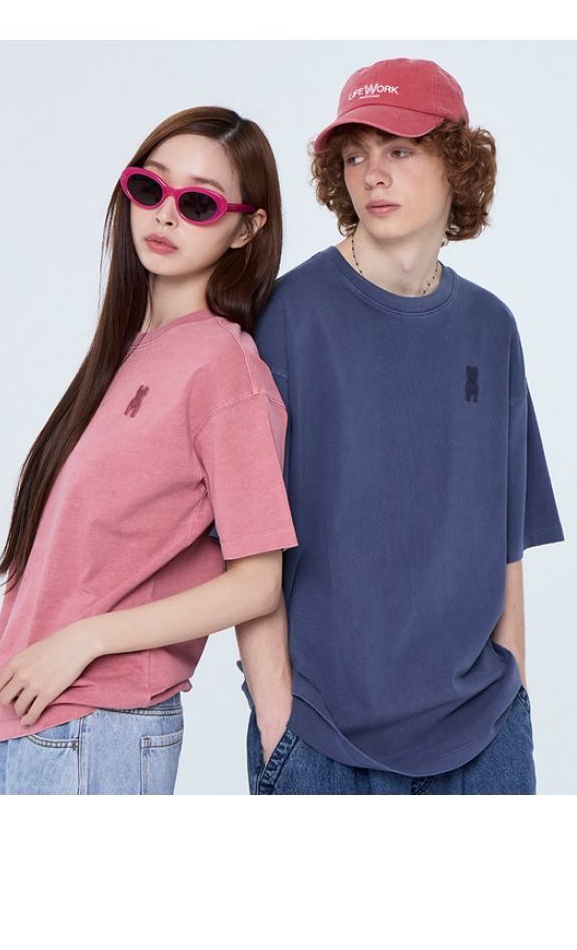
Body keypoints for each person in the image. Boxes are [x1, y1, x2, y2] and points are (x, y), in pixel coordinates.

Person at [237, 58, 564, 795]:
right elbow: (249, 538)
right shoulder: (287, 318)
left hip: (484, 735)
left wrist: (514, 687)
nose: (373, 174)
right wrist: (277, 716)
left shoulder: (491, 327)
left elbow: (506, 540)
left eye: (399, 149)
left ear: (457, 163)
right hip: (322, 737)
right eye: (355, 155)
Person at [0, 106, 297, 795]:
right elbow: (79, 558)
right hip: (32, 719)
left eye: (198, 203)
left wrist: (86, 640)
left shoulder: (223, 368)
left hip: (96, 726)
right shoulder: (131, 352)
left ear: (246, 228)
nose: (164, 215)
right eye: (150, 188)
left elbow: (257, 583)